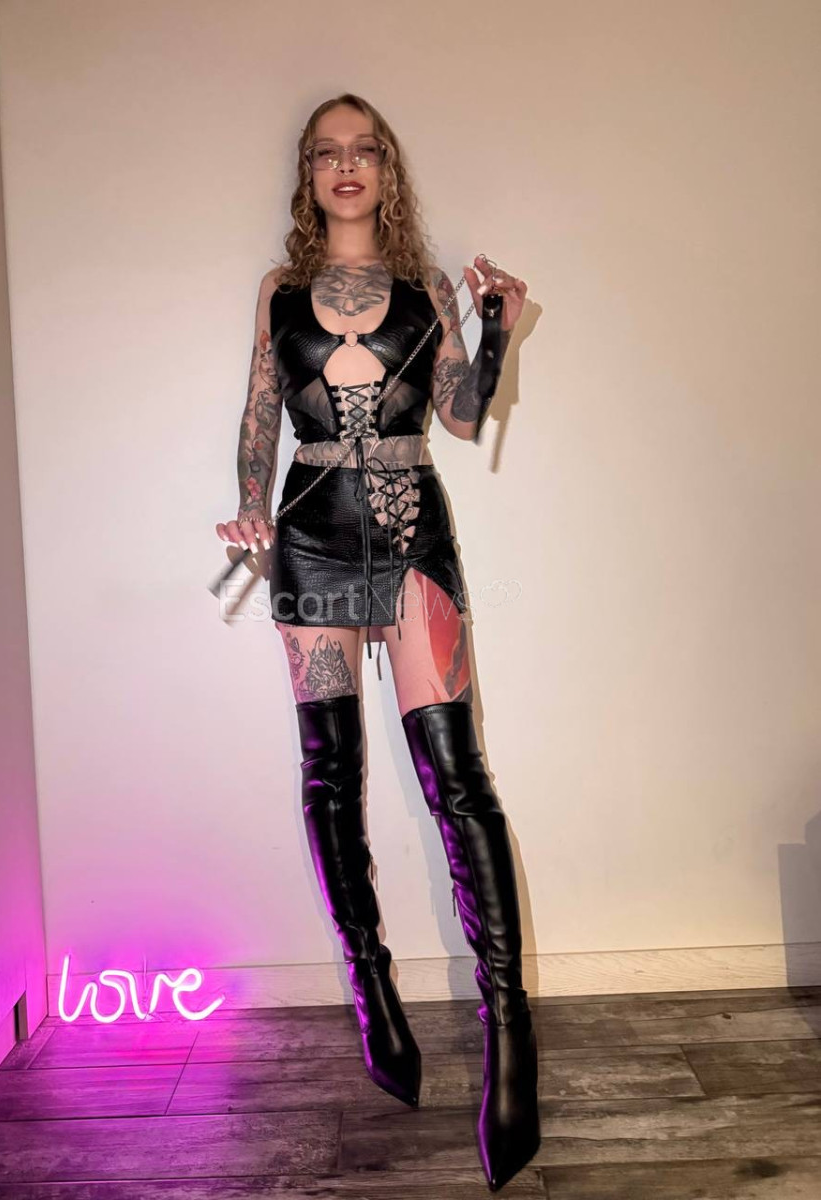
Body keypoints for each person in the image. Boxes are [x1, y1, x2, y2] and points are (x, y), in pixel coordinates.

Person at [216, 93, 539, 1191]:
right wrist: (248, 508)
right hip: (311, 540)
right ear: (308, 174)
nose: (345, 165)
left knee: (458, 776)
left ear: (385, 170)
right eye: (326, 152)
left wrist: (493, 329)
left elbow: (460, 416)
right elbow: (261, 413)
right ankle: (371, 990)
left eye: (363, 150)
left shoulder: (425, 288)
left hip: (410, 538)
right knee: (331, 775)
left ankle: (509, 1034)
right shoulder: (278, 290)